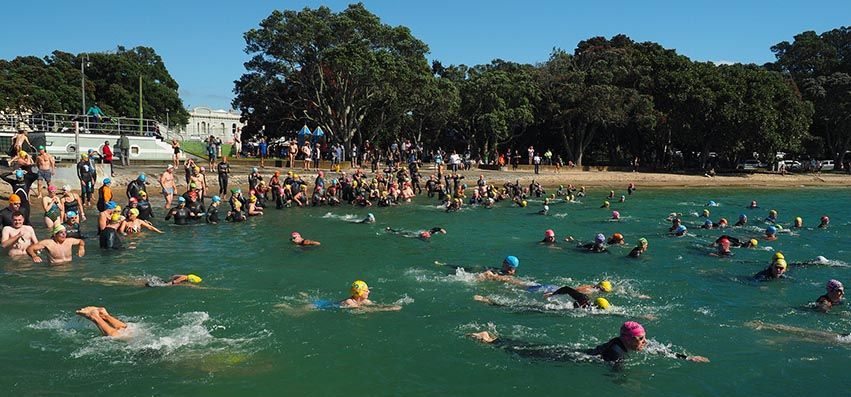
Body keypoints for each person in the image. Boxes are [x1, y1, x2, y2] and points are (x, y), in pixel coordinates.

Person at [468, 321, 708, 364]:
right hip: (573, 357)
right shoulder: (617, 352)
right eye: (640, 339)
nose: (645, 343)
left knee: (532, 347)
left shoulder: (627, 343)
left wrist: (687, 357)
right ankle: (490, 341)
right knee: (531, 353)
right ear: (627, 339)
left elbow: (660, 350)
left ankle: (496, 338)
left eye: (644, 338)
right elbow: (617, 374)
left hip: (582, 352)